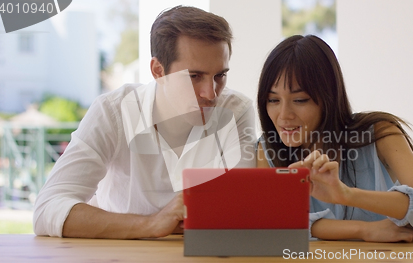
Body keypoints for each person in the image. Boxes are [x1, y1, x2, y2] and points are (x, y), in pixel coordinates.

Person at [33, 6, 256, 239]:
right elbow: (47, 209)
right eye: (194, 76)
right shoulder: (113, 111)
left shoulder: (236, 111)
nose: (211, 93)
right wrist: (151, 224)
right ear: (158, 71)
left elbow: (241, 210)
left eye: (220, 76)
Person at [256, 35, 413, 242]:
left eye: (300, 100)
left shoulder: (379, 133)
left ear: (328, 98)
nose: (284, 115)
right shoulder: (267, 149)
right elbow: (277, 222)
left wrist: (347, 194)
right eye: (273, 100)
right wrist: (364, 230)